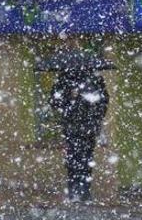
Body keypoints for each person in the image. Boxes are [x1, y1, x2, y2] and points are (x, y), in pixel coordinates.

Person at [50, 67, 109, 202]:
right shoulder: (64, 78)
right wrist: (69, 97)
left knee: (86, 159)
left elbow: (103, 100)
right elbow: (54, 101)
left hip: (88, 128)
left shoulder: (95, 78)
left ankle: (84, 191)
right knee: (73, 160)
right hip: (72, 128)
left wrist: (94, 113)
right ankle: (74, 191)